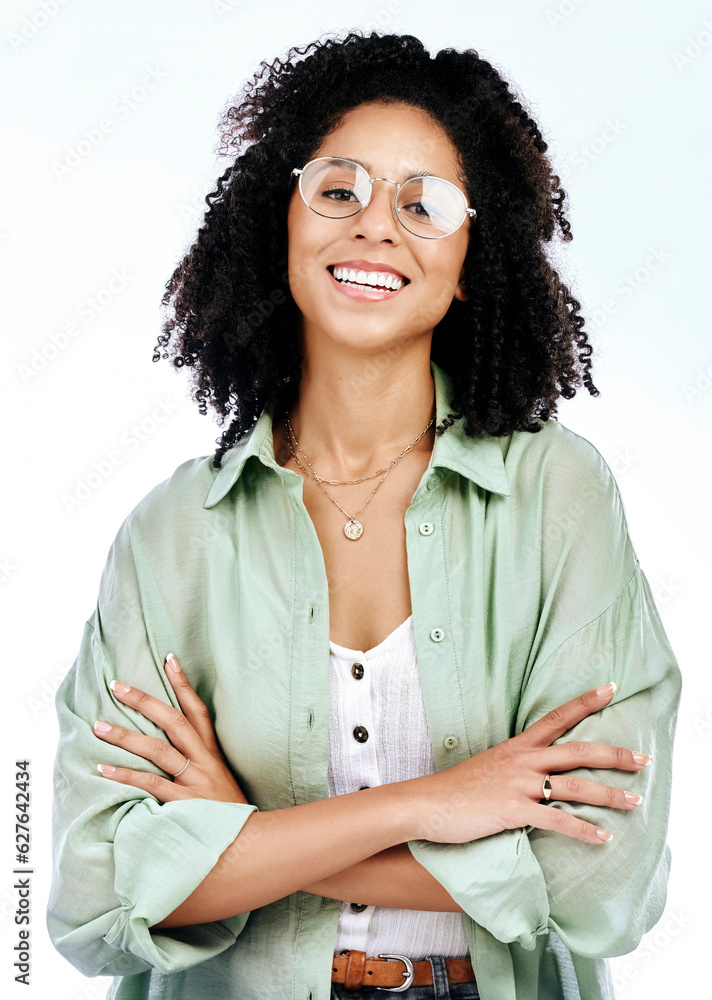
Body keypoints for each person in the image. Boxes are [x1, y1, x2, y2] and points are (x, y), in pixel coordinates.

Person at [47, 31, 681, 1000]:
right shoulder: (173, 531)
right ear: (281, 220)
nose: (375, 226)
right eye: (338, 190)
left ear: (473, 257)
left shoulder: (557, 494)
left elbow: (599, 884)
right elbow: (99, 896)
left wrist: (240, 837)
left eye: (423, 204)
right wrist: (437, 804)